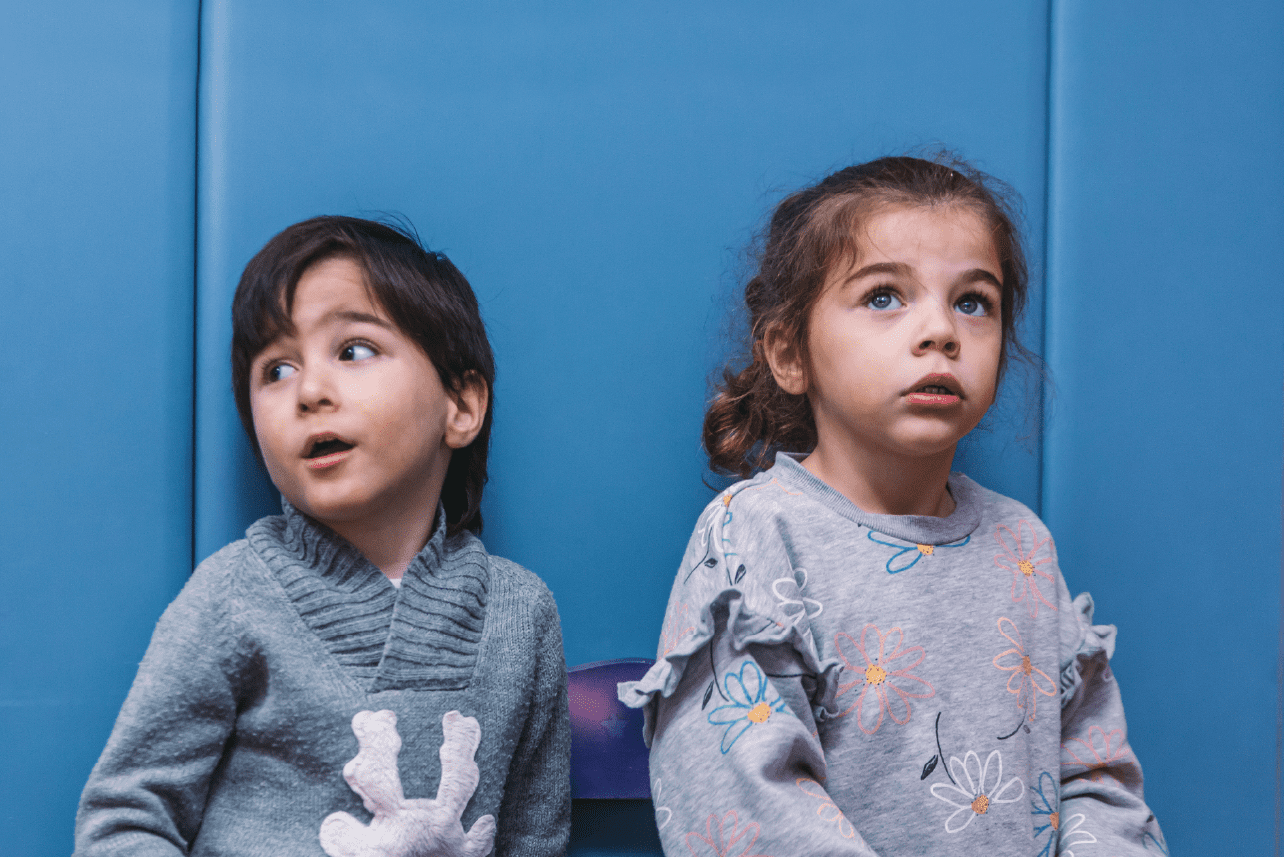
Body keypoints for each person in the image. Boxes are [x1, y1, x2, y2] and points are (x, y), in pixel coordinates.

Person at [620, 157, 1165, 855]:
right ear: (789, 353)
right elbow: (746, 803)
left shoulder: (1022, 544)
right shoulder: (756, 534)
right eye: (883, 296)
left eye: (974, 302)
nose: (941, 330)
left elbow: (1094, 778)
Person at [76, 216, 571, 856]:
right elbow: (125, 818)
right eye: (276, 370)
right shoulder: (232, 596)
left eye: (354, 351)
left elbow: (535, 838)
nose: (309, 391)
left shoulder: (522, 613)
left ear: (461, 406)